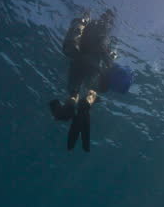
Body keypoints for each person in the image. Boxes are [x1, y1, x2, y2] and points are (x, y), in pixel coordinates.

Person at [49, 8, 117, 151]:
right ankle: (86, 105)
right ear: (109, 21)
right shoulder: (105, 30)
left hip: (77, 60)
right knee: (92, 90)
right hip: (93, 65)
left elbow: (77, 36)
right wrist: (111, 57)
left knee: (74, 92)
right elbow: (104, 49)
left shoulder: (88, 23)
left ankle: (69, 106)